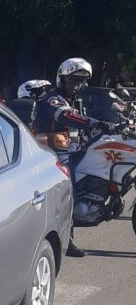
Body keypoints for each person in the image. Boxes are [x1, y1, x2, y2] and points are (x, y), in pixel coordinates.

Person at [35, 58, 120, 258]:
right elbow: (68, 117)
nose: (77, 85)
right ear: (62, 79)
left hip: (76, 149)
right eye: (73, 80)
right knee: (69, 189)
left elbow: (97, 113)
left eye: (81, 81)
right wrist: (95, 123)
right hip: (55, 153)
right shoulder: (51, 99)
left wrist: (113, 121)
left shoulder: (79, 100)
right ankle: (68, 240)